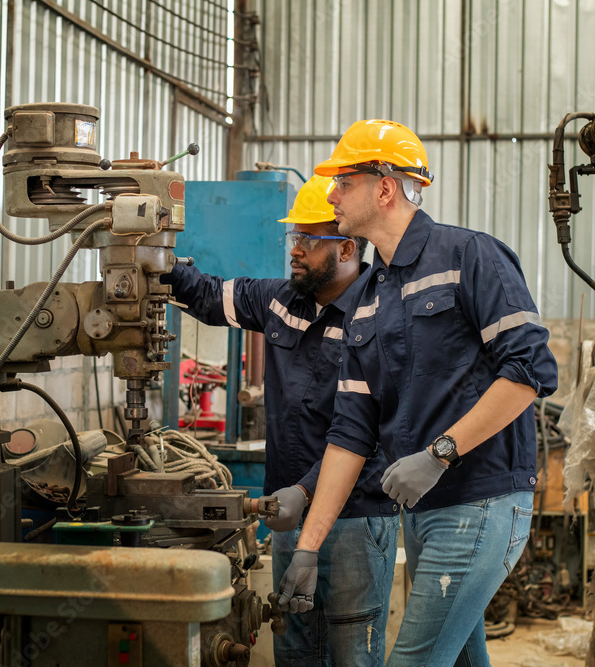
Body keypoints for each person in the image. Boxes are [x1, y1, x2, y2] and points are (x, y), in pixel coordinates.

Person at [276, 120, 559, 666]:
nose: (331, 195)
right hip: (422, 512)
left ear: (385, 188)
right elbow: (351, 430)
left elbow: (529, 371)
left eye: (344, 182)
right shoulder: (367, 299)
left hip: (481, 501)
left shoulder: (470, 255)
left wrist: (440, 453)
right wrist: (308, 546)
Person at [161, 174, 400, 666]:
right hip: (287, 515)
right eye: (294, 237)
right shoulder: (280, 301)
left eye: (309, 240)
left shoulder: (382, 316)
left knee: (352, 651)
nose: (296, 250)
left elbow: (373, 432)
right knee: (294, 645)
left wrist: (306, 491)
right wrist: (155, 261)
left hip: (356, 519)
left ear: (347, 248)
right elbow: (207, 295)